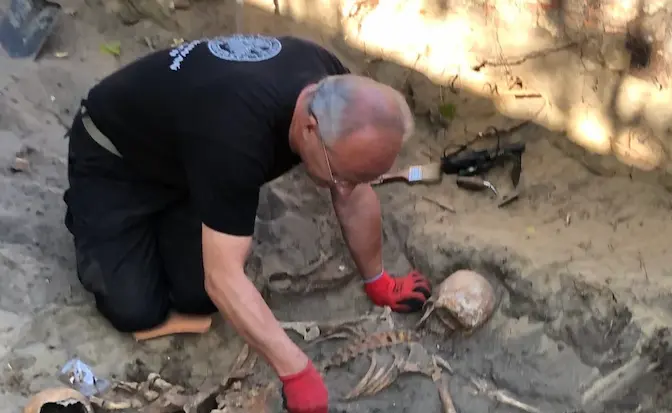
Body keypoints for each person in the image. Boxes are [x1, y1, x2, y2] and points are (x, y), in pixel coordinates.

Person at [62, 33, 432, 412]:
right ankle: (92, 216)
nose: (345, 187)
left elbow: (353, 193)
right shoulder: (234, 133)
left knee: (196, 298)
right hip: (115, 158)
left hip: (189, 162)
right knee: (134, 309)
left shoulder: (336, 87)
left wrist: (378, 279)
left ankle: (180, 206)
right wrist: (296, 372)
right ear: (310, 128)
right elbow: (223, 277)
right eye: (340, 174)